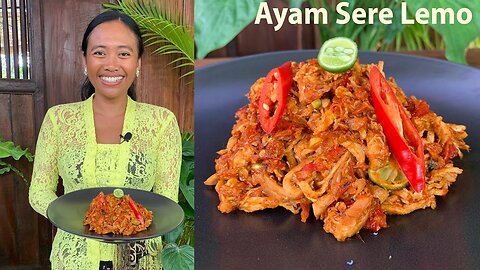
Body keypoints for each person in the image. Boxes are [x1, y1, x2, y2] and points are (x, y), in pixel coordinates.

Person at [28, 10, 182, 270]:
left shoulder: (162, 122)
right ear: (84, 60)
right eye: (99, 52)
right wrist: (76, 216)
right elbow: (38, 191)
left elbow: (167, 200)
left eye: (124, 53)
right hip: (74, 259)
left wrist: (127, 219)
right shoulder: (58, 119)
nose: (111, 64)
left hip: (140, 261)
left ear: (138, 62)